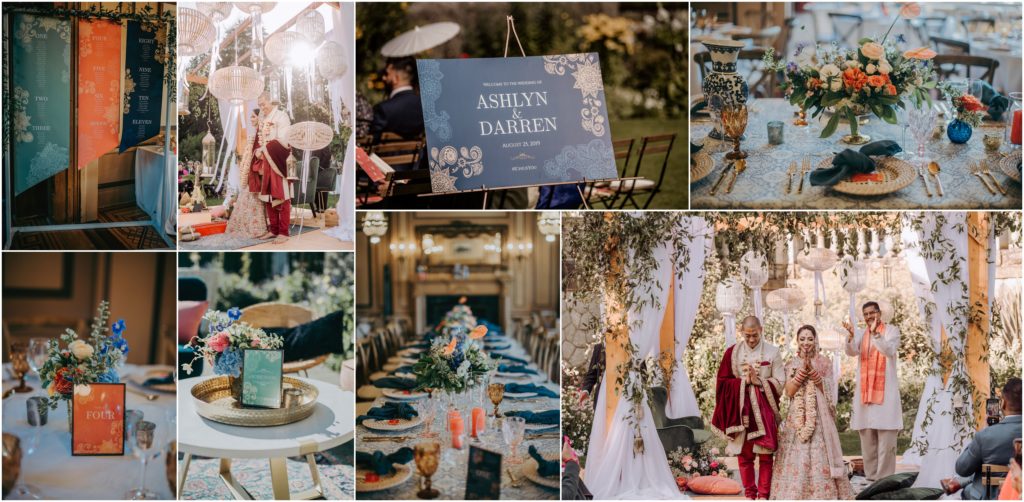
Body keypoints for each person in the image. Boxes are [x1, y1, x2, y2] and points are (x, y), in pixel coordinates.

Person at [770, 325, 855, 500]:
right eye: (802, 339)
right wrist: (802, 373)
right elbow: (789, 392)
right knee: (796, 451)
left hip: (819, 416)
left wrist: (815, 374)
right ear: (797, 341)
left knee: (819, 452)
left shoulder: (824, 362)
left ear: (815, 340)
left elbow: (830, 390)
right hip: (797, 417)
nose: (806, 342)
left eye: (810, 338)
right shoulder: (792, 363)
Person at [711, 316, 785, 500]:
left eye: (755, 335)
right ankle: (750, 496)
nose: (751, 340)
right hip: (741, 412)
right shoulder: (732, 353)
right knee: (744, 456)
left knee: (766, 456)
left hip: (763, 413)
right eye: (747, 335)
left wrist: (758, 380)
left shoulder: (773, 352)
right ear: (741, 331)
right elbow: (722, 382)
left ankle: (764, 496)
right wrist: (743, 383)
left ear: (761, 329)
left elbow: (781, 383)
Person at [843, 301, 902, 481]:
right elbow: (852, 351)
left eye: (872, 313)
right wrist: (851, 336)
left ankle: (884, 480)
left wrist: (876, 334)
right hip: (866, 394)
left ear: (879, 313)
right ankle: (870, 478)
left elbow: (888, 349)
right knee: (867, 439)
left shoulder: (891, 331)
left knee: (886, 440)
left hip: (885, 393)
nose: (869, 317)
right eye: (866, 314)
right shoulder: (862, 334)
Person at [945, 378, 1022, 500]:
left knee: (971, 484)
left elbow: (962, 468)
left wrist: (983, 431)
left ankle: (961, 483)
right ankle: (961, 482)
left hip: (989, 496)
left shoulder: (986, 435)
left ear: (1003, 403)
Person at [251, 92, 293, 244]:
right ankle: (273, 229)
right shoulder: (263, 119)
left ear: (272, 102)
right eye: (260, 105)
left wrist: (264, 149)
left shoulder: (282, 116)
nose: (262, 108)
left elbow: (284, 139)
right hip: (265, 162)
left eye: (263, 104)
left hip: (278, 162)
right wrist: (257, 150)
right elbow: (259, 141)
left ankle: (284, 232)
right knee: (267, 197)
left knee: (282, 195)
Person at [224, 111, 270, 239]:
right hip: (251, 168)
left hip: (258, 169)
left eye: (253, 116)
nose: (251, 119)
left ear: (260, 118)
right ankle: (246, 225)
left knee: (255, 197)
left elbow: (261, 151)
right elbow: (250, 153)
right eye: (251, 116)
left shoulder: (262, 133)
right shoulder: (253, 134)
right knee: (247, 197)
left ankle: (257, 227)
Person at [369, 57, 424, 145]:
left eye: (387, 74)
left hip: (383, 158)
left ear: (396, 78)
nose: (383, 78)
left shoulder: (383, 109)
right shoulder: (425, 106)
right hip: (414, 157)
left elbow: (371, 143)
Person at [579, 340, 605, 411]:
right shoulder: (599, 347)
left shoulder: (628, 346)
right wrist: (586, 390)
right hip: (601, 399)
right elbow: (592, 374)